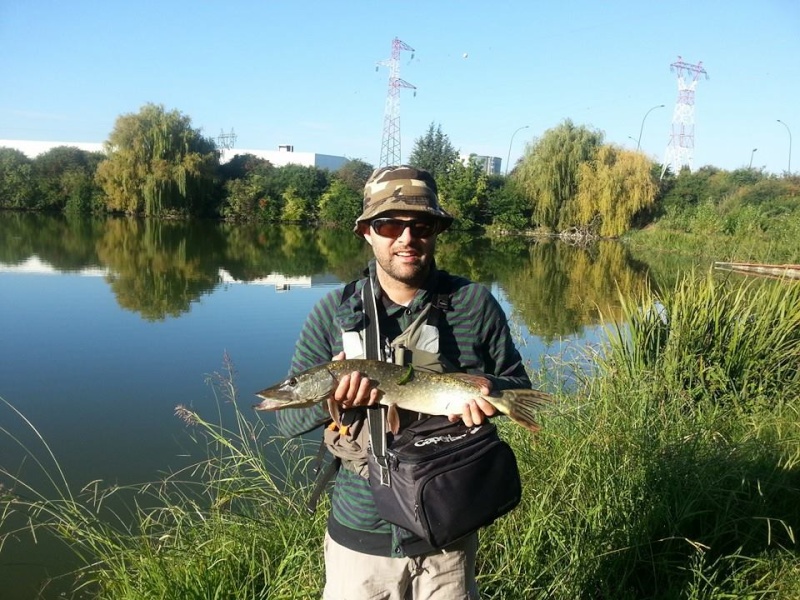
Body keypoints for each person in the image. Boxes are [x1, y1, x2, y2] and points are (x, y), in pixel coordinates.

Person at [276, 165, 531, 600]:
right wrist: (333, 401)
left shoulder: (474, 304)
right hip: (361, 538)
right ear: (366, 233)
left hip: (448, 531)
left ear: (436, 231)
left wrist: (482, 389)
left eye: (422, 225)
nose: (406, 239)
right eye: (389, 224)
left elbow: (513, 381)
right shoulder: (332, 312)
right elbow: (286, 424)